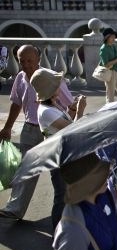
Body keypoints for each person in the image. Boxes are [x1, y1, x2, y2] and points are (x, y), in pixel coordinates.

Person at [0, 45, 75, 221]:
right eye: (22, 61)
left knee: (60, 176)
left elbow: (70, 104)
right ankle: (14, 209)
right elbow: (16, 103)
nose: (26, 65)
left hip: (52, 130)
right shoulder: (20, 77)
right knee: (26, 170)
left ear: (38, 60)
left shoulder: (50, 79)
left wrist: (67, 121)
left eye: (29, 61)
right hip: (29, 128)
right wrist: (8, 127)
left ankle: (68, 216)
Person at [29, 68, 87, 228]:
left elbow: (65, 123)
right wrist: (80, 110)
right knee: (62, 196)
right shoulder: (46, 111)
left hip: (65, 156)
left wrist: (73, 109)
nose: (59, 87)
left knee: (68, 195)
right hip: (60, 159)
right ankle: (59, 233)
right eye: (56, 85)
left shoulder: (52, 105)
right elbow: (74, 130)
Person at [99, 27, 117, 103]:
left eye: (114, 36)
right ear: (107, 37)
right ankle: (109, 109)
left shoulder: (114, 45)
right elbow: (106, 64)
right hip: (110, 72)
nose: (114, 38)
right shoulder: (104, 49)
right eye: (112, 37)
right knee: (110, 93)